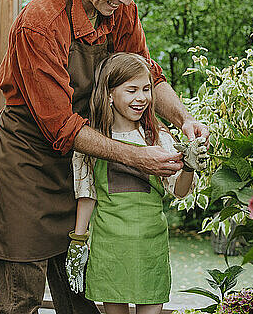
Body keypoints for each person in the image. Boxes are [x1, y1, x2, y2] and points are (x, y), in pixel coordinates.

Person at [0, 0, 209, 314]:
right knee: (23, 287)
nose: (125, 0)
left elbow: (143, 75)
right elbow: (60, 126)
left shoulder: (118, 10)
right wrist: (138, 157)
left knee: (82, 291)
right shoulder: (40, 23)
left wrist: (182, 119)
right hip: (30, 158)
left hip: (87, 152)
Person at [65, 53, 208, 314]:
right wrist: (78, 240)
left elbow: (179, 190)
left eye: (146, 89)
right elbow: (87, 194)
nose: (141, 98)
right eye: (131, 90)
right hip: (110, 247)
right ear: (109, 94)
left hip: (149, 247)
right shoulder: (93, 141)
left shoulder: (158, 136)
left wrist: (189, 165)